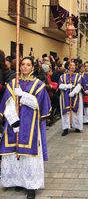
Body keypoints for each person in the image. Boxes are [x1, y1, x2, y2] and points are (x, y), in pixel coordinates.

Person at [0, 56, 51, 199]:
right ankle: (17, 181)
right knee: (13, 153)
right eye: (23, 64)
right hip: (13, 123)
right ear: (19, 67)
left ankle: (31, 186)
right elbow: (7, 103)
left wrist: (23, 95)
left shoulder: (39, 84)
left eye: (28, 65)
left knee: (29, 155)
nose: (25, 67)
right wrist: (14, 121)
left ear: (32, 67)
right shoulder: (12, 83)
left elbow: (38, 105)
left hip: (31, 125)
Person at [58, 61, 83, 136]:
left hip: (76, 96)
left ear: (75, 67)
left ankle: (77, 127)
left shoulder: (78, 76)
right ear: (68, 66)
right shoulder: (62, 76)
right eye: (70, 65)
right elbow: (60, 85)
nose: (72, 67)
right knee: (66, 113)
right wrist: (67, 86)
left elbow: (79, 85)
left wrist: (74, 92)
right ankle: (66, 128)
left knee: (76, 111)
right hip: (64, 96)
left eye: (74, 65)